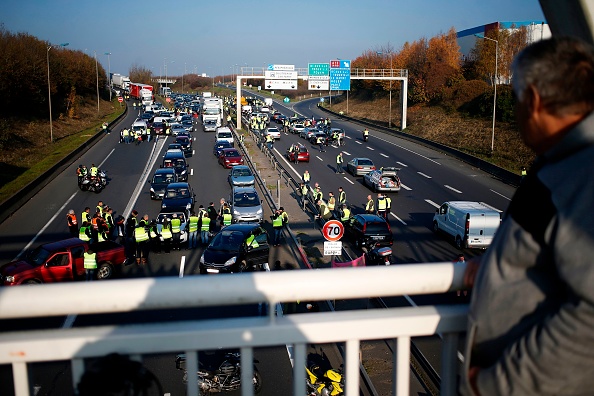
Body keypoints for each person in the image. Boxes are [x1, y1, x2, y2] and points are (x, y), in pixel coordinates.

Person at [460, 37, 594, 396]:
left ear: (533, 101)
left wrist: (495, 385)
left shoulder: (582, 174)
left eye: (517, 98)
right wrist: (492, 265)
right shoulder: (562, 160)